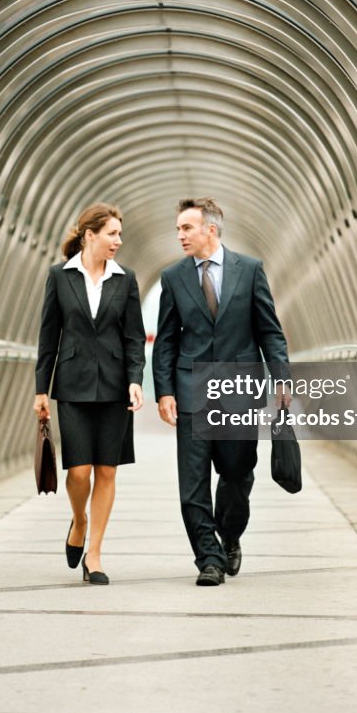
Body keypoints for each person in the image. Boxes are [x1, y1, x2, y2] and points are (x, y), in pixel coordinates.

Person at [153, 197, 290, 586]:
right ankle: (208, 559)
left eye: (186, 228)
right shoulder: (173, 277)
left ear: (210, 230)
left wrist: (281, 378)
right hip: (191, 391)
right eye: (178, 228)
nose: (179, 235)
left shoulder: (249, 270)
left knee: (237, 472)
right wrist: (165, 391)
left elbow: (269, 330)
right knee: (192, 482)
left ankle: (229, 535)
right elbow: (165, 340)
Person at [33, 203, 146, 584]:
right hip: (73, 385)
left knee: (107, 471)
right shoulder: (60, 277)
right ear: (90, 235)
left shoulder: (125, 279)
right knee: (79, 470)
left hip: (116, 387)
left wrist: (135, 379)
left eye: (119, 234)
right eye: (112, 233)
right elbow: (49, 336)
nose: (118, 240)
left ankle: (94, 555)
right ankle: (78, 520)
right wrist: (40, 390)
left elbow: (133, 337)